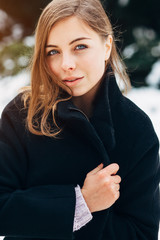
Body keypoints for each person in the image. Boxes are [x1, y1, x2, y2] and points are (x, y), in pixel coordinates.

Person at [0, 0, 159, 239]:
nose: (66, 65)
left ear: (106, 47)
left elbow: (141, 233)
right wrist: (80, 204)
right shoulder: (22, 115)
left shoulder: (136, 129)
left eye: (80, 47)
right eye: (53, 52)